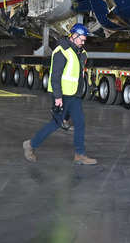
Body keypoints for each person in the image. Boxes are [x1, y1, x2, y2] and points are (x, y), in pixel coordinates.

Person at [23, 24, 97, 165]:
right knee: (56, 124)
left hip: (74, 95)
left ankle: (79, 155)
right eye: (81, 39)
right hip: (62, 95)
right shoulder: (62, 51)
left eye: (84, 40)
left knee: (80, 122)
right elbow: (55, 76)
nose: (83, 42)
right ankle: (30, 145)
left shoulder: (81, 53)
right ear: (73, 36)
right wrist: (57, 97)